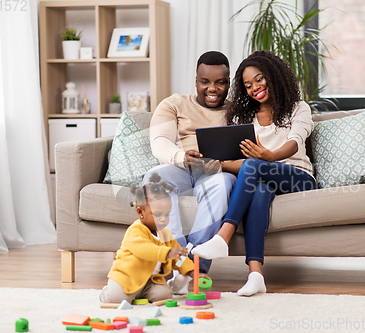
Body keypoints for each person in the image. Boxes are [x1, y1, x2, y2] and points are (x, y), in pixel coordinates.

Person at [192, 50, 317, 296]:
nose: (255, 88)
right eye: (248, 85)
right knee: (259, 189)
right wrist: (220, 164)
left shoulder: (298, 108)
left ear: (274, 76)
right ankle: (256, 274)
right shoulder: (243, 116)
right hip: (263, 177)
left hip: (297, 177)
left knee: (252, 165)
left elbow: (294, 141)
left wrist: (268, 156)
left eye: (259, 79)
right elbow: (245, 165)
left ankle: (223, 236)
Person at [143, 51, 236, 273]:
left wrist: (223, 164)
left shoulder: (238, 110)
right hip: (182, 168)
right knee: (153, 178)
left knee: (222, 185)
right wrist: (181, 158)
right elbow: (160, 141)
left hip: (217, 172)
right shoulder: (174, 104)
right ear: (196, 81)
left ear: (229, 83)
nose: (212, 88)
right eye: (205, 82)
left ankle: (195, 267)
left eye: (220, 83)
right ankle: (175, 258)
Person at [100, 173, 208, 303]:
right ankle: (108, 292)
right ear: (140, 212)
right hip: (128, 278)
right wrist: (167, 252)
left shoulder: (166, 235)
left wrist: (192, 272)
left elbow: (179, 259)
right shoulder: (136, 231)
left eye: (167, 214)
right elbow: (144, 249)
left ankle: (140, 294)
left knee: (165, 295)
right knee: (116, 298)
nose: (163, 219)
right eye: (157, 214)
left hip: (150, 281)